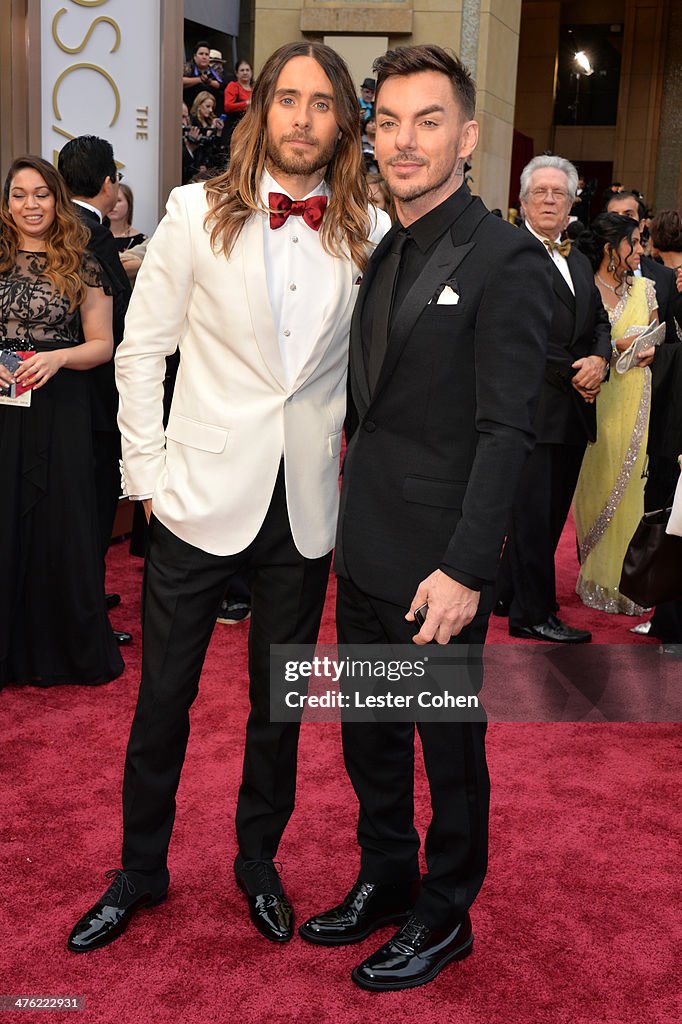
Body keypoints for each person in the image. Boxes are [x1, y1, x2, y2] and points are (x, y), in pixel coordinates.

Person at [67, 40, 389, 954]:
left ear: (341, 122)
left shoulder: (363, 230)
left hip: (303, 511)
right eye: (286, 98)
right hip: (196, 496)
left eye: (320, 104)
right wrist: (148, 481)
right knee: (163, 698)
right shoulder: (193, 208)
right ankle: (139, 870)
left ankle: (257, 861)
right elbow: (141, 349)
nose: (300, 117)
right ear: (260, 110)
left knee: (277, 709)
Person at [298, 44, 553, 992]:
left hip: (439, 569)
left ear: (468, 136)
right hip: (362, 545)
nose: (405, 143)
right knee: (368, 731)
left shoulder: (508, 260)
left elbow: (507, 432)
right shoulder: (384, 243)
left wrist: (466, 568)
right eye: (390, 123)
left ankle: (447, 915)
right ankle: (388, 876)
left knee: (447, 750)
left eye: (429, 121)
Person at [0, 156, 123, 689]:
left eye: (41, 194)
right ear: (7, 203)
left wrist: (57, 357)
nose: (31, 205)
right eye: (19, 195)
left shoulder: (82, 262)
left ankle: (59, 650)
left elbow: (103, 344)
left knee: (60, 525)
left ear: (56, 199)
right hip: (4, 403)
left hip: (63, 403)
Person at [493, 155, 611, 643]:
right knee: (534, 519)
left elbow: (599, 321)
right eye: (538, 192)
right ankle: (532, 614)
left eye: (557, 193)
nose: (548, 199)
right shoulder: (509, 256)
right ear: (521, 203)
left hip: (572, 413)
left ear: (571, 204)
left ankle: (504, 593)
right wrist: (576, 370)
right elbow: (514, 336)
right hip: (530, 411)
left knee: (546, 514)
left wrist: (600, 359)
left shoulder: (579, 259)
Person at [58, 135, 133, 647]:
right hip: (91, 396)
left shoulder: (71, 231)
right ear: (109, 184)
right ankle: (82, 611)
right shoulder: (89, 236)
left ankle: (83, 594)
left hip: (64, 392)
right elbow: (113, 322)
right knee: (89, 506)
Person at [573, 213, 658, 613]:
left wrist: (647, 347)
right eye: (635, 242)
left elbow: (658, 337)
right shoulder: (583, 287)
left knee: (631, 491)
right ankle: (594, 577)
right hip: (593, 400)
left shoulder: (646, 290)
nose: (640, 250)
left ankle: (626, 584)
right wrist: (614, 346)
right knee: (594, 486)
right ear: (611, 249)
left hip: (636, 401)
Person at [605, 191, 678, 345]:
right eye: (614, 215)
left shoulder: (665, 277)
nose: (621, 221)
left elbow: (672, 339)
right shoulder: (587, 273)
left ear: (642, 224)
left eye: (628, 214)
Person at [182, 40, 224, 114]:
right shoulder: (188, 67)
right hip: (190, 110)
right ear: (195, 56)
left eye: (206, 54)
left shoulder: (214, 71)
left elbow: (220, 85)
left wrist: (209, 82)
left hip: (209, 113)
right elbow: (180, 81)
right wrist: (199, 79)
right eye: (201, 54)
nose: (204, 57)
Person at [223, 59, 254, 148]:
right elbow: (227, 106)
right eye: (242, 70)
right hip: (235, 128)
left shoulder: (255, 88)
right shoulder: (233, 86)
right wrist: (246, 104)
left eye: (247, 70)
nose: (245, 73)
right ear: (236, 73)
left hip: (251, 128)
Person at [108, 183, 146, 253]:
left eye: (118, 200)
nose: (113, 205)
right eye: (110, 200)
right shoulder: (96, 236)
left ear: (129, 203)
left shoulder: (142, 241)